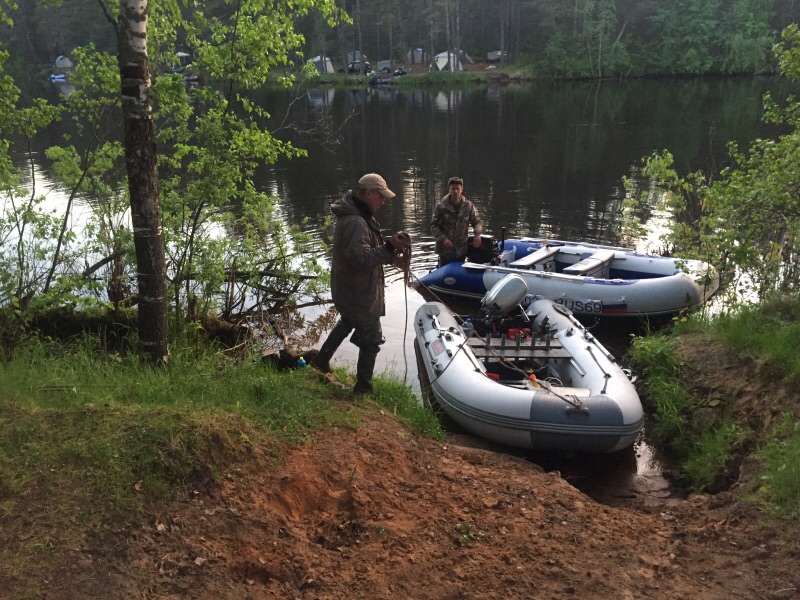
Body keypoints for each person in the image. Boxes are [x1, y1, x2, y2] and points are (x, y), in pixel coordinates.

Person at [311, 173, 410, 395]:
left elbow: (367, 251)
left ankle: (320, 361)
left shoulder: (359, 215)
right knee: (372, 341)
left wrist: (392, 257)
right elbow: (361, 261)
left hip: (349, 289)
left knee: (347, 322)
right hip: (359, 294)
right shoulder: (356, 222)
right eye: (381, 197)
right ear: (369, 193)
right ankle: (363, 389)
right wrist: (389, 247)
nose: (383, 202)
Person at [431, 176, 483, 266]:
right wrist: (444, 239)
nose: (455, 191)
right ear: (449, 190)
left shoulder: (468, 206)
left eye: (457, 189)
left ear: (461, 189)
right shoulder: (441, 207)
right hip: (445, 250)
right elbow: (433, 226)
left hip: (461, 250)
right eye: (453, 189)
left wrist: (477, 234)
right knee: (445, 272)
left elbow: (477, 222)